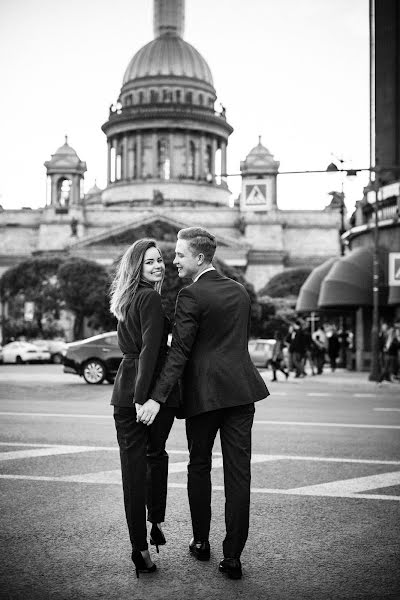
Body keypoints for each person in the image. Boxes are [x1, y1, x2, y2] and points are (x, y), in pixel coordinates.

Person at [137, 227, 269, 580]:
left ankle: (201, 542)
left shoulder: (190, 295)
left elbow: (179, 353)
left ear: (198, 257)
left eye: (179, 255)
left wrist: (156, 397)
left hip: (204, 395)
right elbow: (235, 343)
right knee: (239, 474)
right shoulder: (240, 292)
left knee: (199, 466)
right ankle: (233, 556)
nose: (173, 261)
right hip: (242, 392)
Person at [109, 239, 179, 578]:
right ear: (137, 267)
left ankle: (141, 543)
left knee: (132, 474)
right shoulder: (150, 297)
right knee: (152, 459)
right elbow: (151, 350)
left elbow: (134, 349)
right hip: (140, 392)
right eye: (150, 261)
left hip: (122, 390)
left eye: (160, 260)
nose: (159, 266)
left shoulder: (126, 298)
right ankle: (151, 529)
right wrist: (143, 398)